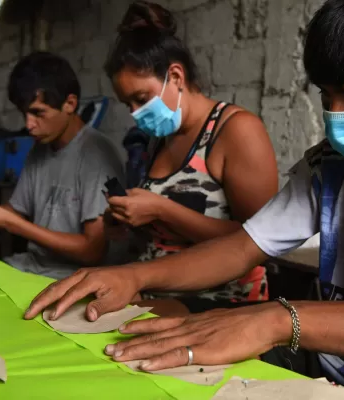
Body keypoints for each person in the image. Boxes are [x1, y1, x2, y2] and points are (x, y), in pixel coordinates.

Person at [25, 0, 344, 398]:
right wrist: (133, 276)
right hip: (337, 364)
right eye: (326, 95)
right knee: (147, 345)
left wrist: (280, 318)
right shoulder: (329, 164)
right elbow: (245, 244)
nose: (335, 114)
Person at [100, 1, 279, 314]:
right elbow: (164, 232)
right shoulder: (160, 138)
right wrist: (128, 220)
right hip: (152, 290)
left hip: (219, 304)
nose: (135, 113)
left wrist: (161, 209)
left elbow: (261, 242)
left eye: (141, 99)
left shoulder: (236, 130)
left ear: (176, 76)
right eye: (127, 104)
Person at [0, 52, 125, 280]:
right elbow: (15, 212)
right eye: (25, 114)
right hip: (30, 267)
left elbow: (92, 251)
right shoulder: (40, 148)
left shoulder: (97, 154)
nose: (29, 125)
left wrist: (12, 223)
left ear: (70, 104)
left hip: (74, 279)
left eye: (38, 113)